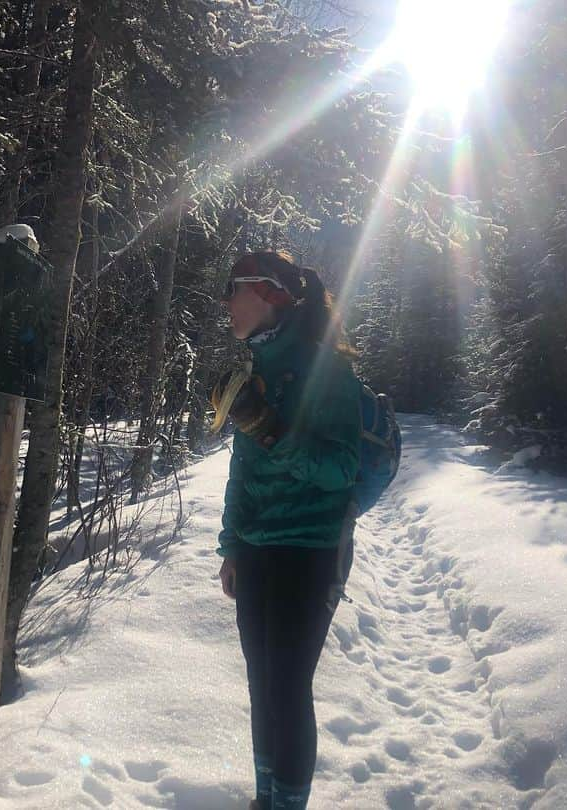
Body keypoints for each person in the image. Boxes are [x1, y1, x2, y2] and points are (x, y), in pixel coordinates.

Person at [212, 251, 362, 810]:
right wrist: (231, 545)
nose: (226, 301)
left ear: (271, 292)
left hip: (311, 550)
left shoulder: (328, 370)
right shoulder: (258, 371)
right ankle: (265, 799)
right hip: (256, 554)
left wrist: (271, 430)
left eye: (234, 287)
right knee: (262, 688)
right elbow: (241, 469)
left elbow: (340, 471)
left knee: (287, 689)